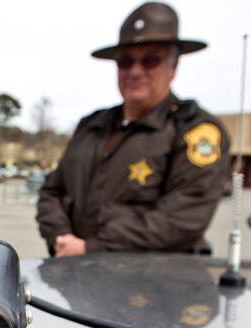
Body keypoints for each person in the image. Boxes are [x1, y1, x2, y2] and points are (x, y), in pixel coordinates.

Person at [36, 2, 231, 257]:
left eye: (150, 60)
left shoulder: (194, 130)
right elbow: (52, 192)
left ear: (173, 66)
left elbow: (182, 219)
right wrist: (60, 237)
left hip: (151, 286)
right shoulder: (91, 126)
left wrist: (90, 248)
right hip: (75, 278)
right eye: (126, 62)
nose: (135, 71)